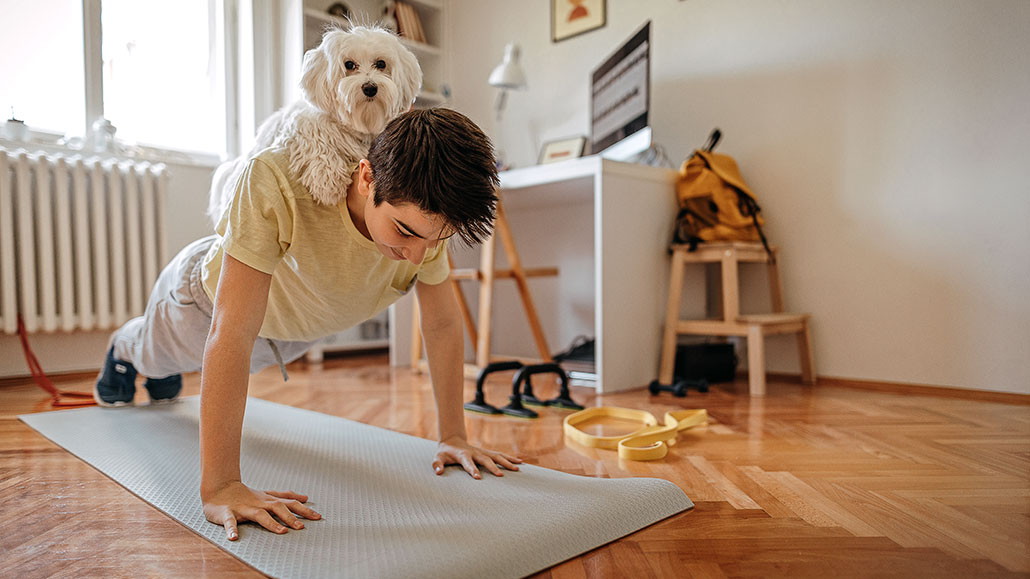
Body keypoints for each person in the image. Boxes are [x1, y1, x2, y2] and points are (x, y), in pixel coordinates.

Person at [93, 108, 522, 541]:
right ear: (366, 177)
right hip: (200, 307)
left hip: (288, 333)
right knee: (154, 352)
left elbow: (443, 325)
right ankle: (123, 350)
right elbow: (231, 330)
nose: (418, 256)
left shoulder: (424, 230)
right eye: (405, 232)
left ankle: (161, 375)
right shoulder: (275, 179)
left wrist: (454, 434)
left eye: (436, 240)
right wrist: (221, 487)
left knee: (174, 372)